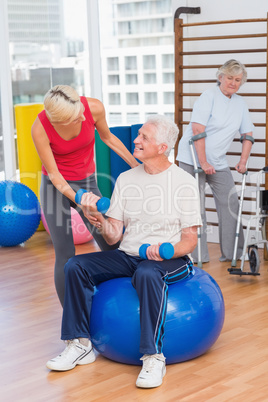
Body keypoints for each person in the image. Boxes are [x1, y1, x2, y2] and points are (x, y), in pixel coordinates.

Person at [46, 115, 202, 389]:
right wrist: (98, 218)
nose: (136, 140)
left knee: (147, 272)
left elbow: (190, 240)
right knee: (75, 266)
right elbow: (114, 235)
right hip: (129, 254)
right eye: (138, 134)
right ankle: (79, 343)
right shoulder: (127, 179)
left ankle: (153, 357)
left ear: (163, 147)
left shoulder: (183, 182)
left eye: (144, 137)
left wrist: (165, 252)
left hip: (171, 259)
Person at [32, 85, 139, 306]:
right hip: (55, 187)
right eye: (75, 117)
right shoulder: (40, 128)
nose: (83, 116)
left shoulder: (93, 108)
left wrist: (135, 165)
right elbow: (54, 174)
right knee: (65, 253)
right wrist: (79, 200)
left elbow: (108, 139)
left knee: (112, 244)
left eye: (81, 109)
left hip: (87, 182)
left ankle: (127, 303)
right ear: (59, 121)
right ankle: (72, 318)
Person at [176, 59, 254, 263]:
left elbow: (247, 134)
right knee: (195, 207)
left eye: (238, 80)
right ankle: (194, 255)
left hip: (217, 161)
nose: (233, 83)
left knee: (230, 203)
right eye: (230, 78)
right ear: (220, 77)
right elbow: (197, 131)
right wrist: (203, 162)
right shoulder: (208, 97)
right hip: (192, 158)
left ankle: (234, 254)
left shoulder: (240, 103)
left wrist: (243, 160)